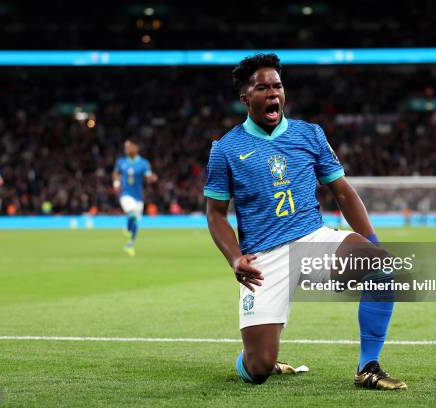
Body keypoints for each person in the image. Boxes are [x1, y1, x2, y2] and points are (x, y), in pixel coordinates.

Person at [204, 54, 406, 389]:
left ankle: (368, 366)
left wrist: (371, 240)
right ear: (245, 98)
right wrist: (235, 257)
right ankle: (253, 358)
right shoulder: (225, 149)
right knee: (259, 369)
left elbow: (342, 191)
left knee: (380, 265)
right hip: (264, 259)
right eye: (263, 88)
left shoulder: (309, 134)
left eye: (278, 86)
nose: (273, 94)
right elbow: (215, 214)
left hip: (313, 239)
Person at [113, 140, 157, 256]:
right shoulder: (121, 162)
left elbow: (147, 176)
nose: (126, 149)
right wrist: (116, 183)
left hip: (138, 197)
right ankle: (127, 229)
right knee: (131, 212)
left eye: (129, 146)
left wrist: (152, 178)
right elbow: (116, 173)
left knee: (136, 222)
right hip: (125, 194)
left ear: (136, 148)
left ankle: (129, 244)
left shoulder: (143, 163)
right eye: (125, 147)